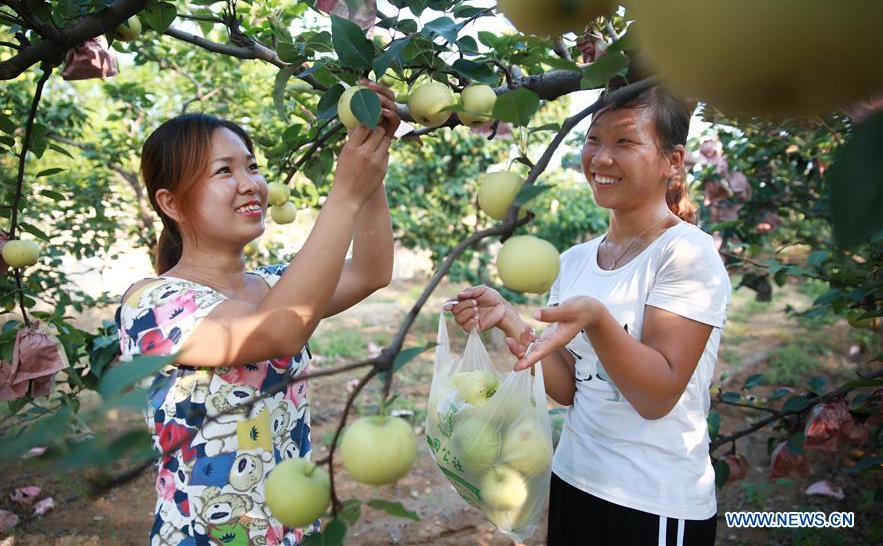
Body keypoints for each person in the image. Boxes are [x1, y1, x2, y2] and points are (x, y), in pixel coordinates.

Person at [115, 80, 400, 545]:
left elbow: (372, 269)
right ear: (170, 203)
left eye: (252, 167)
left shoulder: (273, 284)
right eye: (224, 172)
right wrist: (345, 193)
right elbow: (280, 330)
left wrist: (372, 165)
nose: (251, 184)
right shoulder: (152, 306)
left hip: (292, 530)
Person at [446, 85, 732, 545]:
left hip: (652, 501)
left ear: (673, 162)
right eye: (594, 139)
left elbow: (657, 396)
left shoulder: (685, 253)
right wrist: (511, 322)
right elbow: (569, 389)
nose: (600, 158)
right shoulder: (577, 260)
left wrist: (598, 321)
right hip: (576, 480)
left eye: (625, 142)